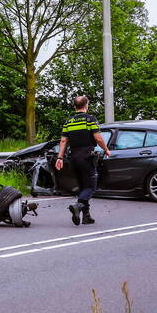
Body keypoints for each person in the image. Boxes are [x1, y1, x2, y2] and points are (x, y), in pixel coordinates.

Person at [54, 95, 111, 226]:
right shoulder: (90, 119)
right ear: (86, 105)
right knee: (91, 186)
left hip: (73, 157)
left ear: (75, 106)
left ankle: (86, 216)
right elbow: (98, 138)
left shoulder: (68, 122)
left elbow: (63, 140)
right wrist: (106, 149)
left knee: (82, 186)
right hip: (87, 156)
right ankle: (78, 206)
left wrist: (60, 157)